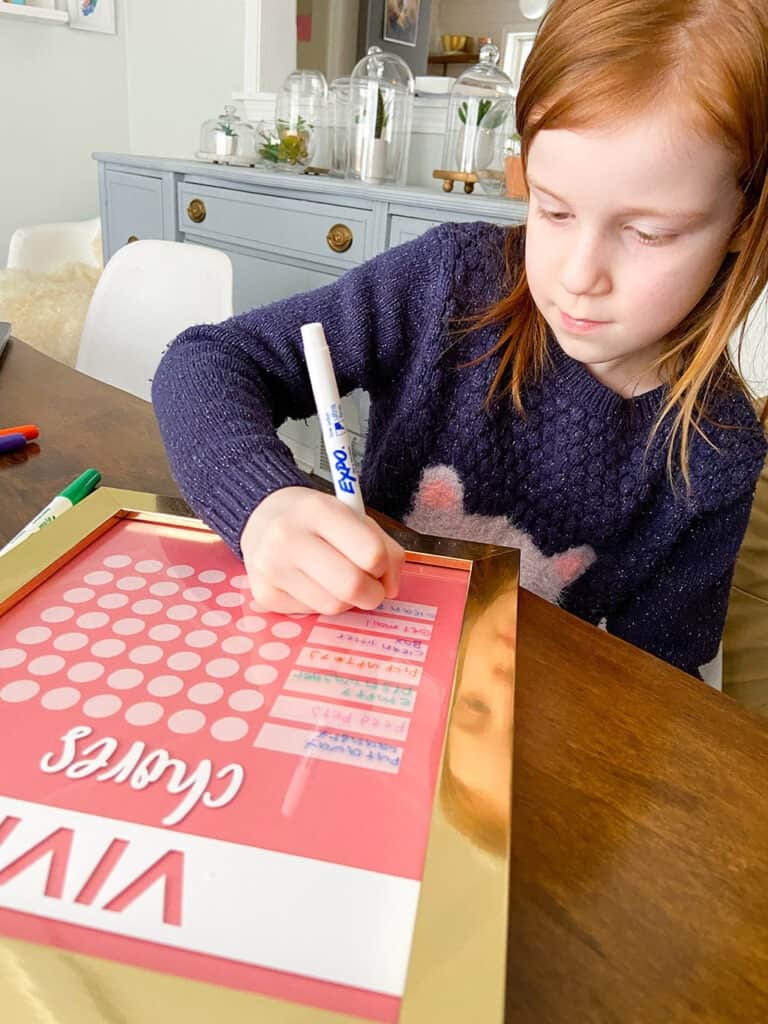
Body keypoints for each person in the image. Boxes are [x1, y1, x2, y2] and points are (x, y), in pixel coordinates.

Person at [153, 0, 768, 678]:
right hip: (336, 664)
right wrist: (262, 506)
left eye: (649, 233)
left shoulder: (719, 447)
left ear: (744, 217)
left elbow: (662, 684)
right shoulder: (451, 284)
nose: (578, 275)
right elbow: (208, 361)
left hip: (515, 718)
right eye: (553, 209)